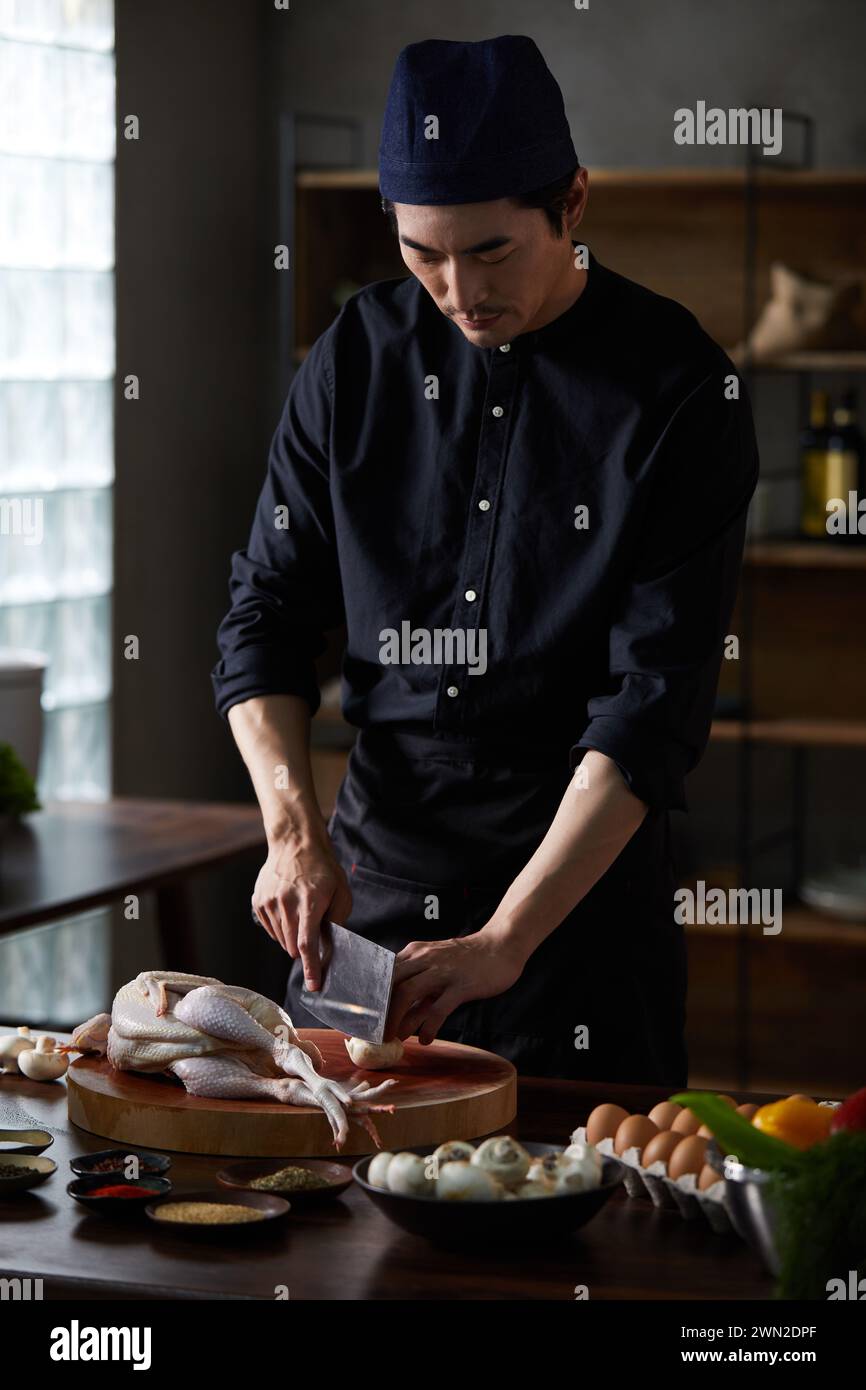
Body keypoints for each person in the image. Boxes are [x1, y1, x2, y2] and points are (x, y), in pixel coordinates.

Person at [211, 35, 758, 1084]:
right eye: (422, 253)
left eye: (491, 252)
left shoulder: (678, 391)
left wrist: (506, 938)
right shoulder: (354, 356)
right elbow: (262, 619)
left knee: (583, 1227)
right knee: (329, 1214)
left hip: (574, 917)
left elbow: (650, 712)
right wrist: (290, 831)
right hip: (366, 900)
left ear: (573, 202)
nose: (456, 291)